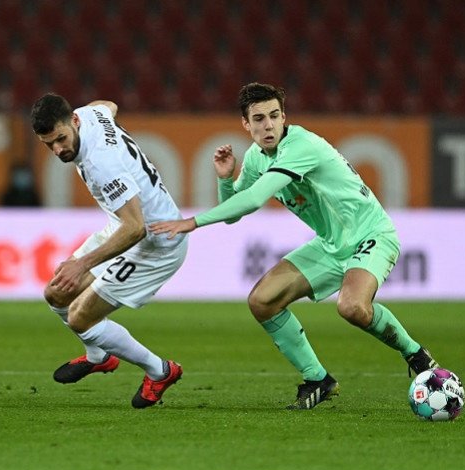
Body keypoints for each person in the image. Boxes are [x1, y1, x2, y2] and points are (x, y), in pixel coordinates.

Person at [150, 82, 438, 410]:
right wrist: (225, 179)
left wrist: (192, 222)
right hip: (330, 245)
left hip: (371, 234)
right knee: (263, 301)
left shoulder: (301, 146)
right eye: (259, 119)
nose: (268, 125)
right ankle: (318, 380)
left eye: (274, 116)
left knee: (352, 308)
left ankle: (416, 354)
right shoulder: (256, 157)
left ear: (284, 117)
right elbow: (234, 212)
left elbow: (254, 198)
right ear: (245, 124)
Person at [30, 93, 187, 408]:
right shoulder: (89, 115)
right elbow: (107, 106)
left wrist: (82, 265)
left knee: (79, 317)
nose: (58, 150)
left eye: (61, 139)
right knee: (56, 294)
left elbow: (136, 228)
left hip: (156, 242)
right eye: (49, 144)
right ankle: (99, 356)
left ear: (74, 122)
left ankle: (160, 371)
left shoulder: (101, 163)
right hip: (124, 226)